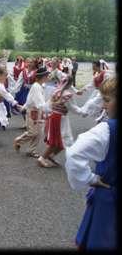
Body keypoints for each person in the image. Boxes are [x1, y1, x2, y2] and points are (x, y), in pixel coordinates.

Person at [65, 77, 117, 250]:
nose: (103, 105)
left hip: (110, 200)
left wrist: (90, 178)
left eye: (107, 100)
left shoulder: (106, 130)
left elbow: (73, 154)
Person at [39, 75, 84, 168]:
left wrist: (46, 113)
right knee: (58, 140)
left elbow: (48, 105)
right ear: (70, 84)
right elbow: (73, 108)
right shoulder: (67, 94)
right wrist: (83, 112)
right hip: (60, 119)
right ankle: (42, 158)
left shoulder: (56, 91)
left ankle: (51, 155)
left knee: (65, 140)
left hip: (55, 117)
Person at [13, 67, 50, 158]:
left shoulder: (39, 86)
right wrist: (48, 110)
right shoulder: (36, 87)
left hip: (38, 111)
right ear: (43, 77)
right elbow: (39, 103)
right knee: (33, 132)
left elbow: (29, 99)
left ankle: (31, 150)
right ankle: (19, 140)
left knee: (39, 133)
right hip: (34, 111)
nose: (48, 77)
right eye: (47, 76)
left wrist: (24, 107)